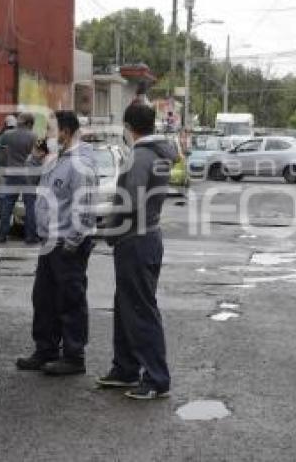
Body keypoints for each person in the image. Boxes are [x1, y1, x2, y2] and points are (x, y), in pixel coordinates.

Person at [96, 104, 177, 400]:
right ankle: (125, 369)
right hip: (146, 237)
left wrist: (107, 224)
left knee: (140, 310)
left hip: (136, 240)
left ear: (129, 127)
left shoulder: (140, 156)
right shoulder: (158, 153)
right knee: (127, 306)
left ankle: (156, 378)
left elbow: (130, 202)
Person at [16, 110, 97, 376]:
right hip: (49, 240)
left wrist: (72, 242)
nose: (46, 135)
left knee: (70, 299)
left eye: (51, 130)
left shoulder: (80, 163)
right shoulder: (55, 159)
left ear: (65, 131)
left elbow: (85, 207)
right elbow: (30, 180)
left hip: (67, 243)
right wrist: (34, 157)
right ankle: (46, 349)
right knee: (44, 298)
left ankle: (74, 356)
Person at [0, 112, 37, 244]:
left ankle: (2, 235)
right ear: (29, 123)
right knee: (30, 205)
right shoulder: (33, 136)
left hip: (12, 173)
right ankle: (30, 237)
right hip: (28, 175)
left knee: (7, 205)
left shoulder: (8, 135)